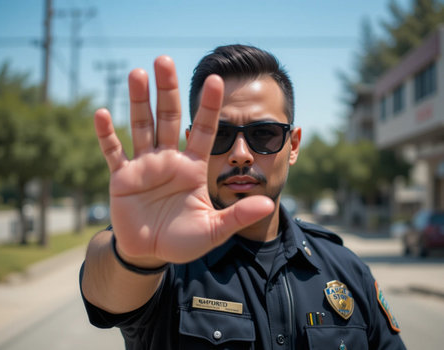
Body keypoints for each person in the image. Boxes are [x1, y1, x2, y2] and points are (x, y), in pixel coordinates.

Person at [80, 44, 406, 349]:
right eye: (220, 135)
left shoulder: (347, 269)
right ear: (194, 142)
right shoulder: (168, 256)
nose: (240, 155)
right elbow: (107, 291)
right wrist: (137, 257)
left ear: (292, 145)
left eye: (263, 133)